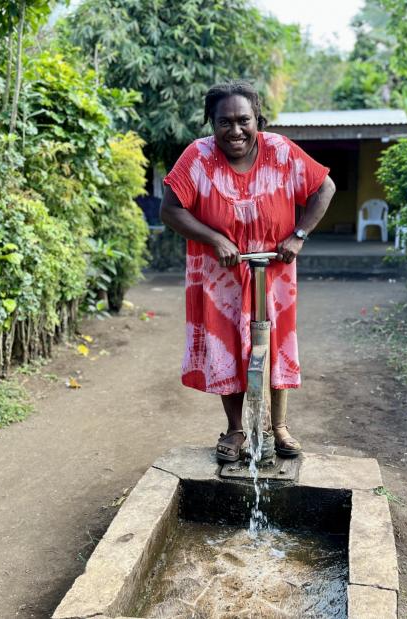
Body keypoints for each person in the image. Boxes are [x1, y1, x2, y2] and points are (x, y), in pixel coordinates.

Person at [160, 80, 335, 463]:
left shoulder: (281, 151)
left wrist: (299, 235)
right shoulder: (198, 157)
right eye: (224, 122)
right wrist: (215, 240)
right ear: (212, 123)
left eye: (244, 120)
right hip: (220, 271)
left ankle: (278, 426)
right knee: (226, 348)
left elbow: (325, 188)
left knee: (275, 345)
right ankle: (236, 429)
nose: (235, 130)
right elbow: (170, 209)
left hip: (274, 268)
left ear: (258, 119)